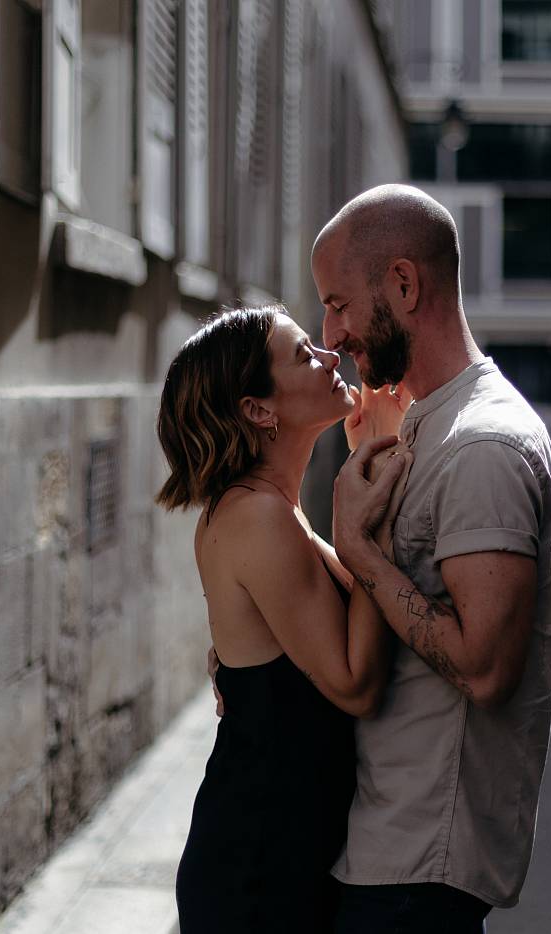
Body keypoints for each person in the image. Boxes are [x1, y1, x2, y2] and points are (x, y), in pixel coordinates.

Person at [312, 184, 551, 933]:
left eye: (338, 303)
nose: (330, 333)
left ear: (402, 284)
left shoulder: (483, 447)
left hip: (419, 869)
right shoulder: (430, 425)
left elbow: (485, 668)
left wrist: (357, 547)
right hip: (386, 848)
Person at [156, 305, 412, 934]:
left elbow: (355, 609)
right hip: (257, 868)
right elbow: (355, 682)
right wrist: (367, 528)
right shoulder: (257, 516)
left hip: (279, 850)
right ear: (258, 410)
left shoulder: (271, 509)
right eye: (303, 354)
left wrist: (371, 461)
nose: (329, 354)